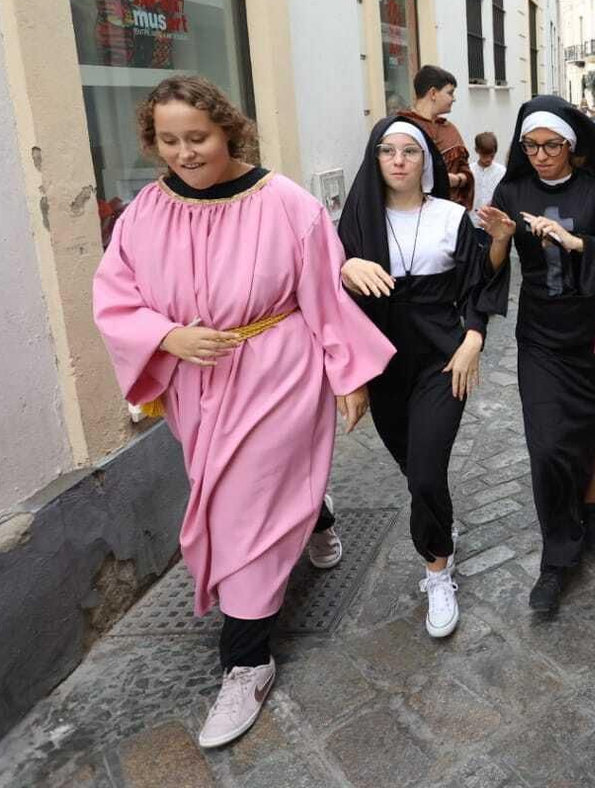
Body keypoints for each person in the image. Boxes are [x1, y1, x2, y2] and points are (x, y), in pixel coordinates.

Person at [92, 77, 394, 749]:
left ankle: (248, 661)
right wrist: (168, 337)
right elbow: (116, 295)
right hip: (196, 383)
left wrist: (349, 375)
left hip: (277, 369)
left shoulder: (284, 202)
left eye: (196, 137)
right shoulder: (146, 210)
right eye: (168, 140)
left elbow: (323, 285)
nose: (184, 153)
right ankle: (317, 509)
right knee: (233, 487)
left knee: (242, 506)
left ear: (228, 129)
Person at [335, 118, 516, 638]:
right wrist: (345, 267)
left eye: (409, 152)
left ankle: (438, 570)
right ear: (375, 159)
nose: (398, 160)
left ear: (426, 162)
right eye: (387, 151)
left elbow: (478, 281)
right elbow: (322, 290)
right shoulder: (357, 221)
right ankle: (439, 521)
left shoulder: (449, 217)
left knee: (427, 471)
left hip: (442, 357)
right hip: (383, 362)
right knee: (415, 469)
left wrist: (474, 339)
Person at [479, 96, 595, 613]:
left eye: (552, 145)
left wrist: (576, 244)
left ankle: (590, 505)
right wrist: (501, 240)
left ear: (572, 147)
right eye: (531, 146)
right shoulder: (511, 189)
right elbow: (486, 270)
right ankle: (556, 557)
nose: (541, 155)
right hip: (542, 338)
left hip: (593, 333)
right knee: (547, 446)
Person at [397, 64, 473, 211]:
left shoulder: (449, 129)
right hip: (412, 213)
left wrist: (457, 180)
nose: (454, 99)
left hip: (450, 214)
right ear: (433, 93)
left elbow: (465, 170)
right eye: (450, 93)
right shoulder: (402, 128)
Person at [469, 131, 507, 224]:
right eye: (484, 155)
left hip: (494, 223)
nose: (488, 159)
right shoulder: (469, 171)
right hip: (472, 220)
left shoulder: (502, 171)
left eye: (492, 156)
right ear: (476, 150)